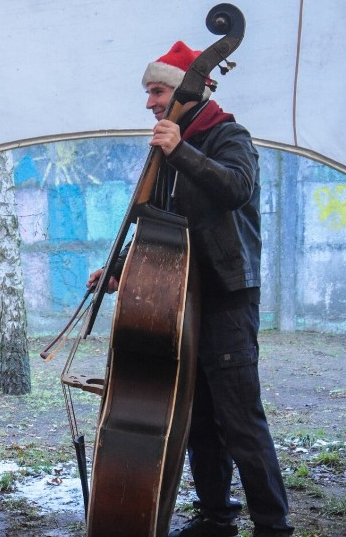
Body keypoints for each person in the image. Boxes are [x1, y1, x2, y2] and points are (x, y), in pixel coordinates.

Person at [87, 41, 294, 537]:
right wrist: (119, 267)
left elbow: (235, 188)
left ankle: (273, 525)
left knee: (239, 419)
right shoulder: (167, 147)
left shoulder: (228, 135)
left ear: (185, 88)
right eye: (148, 92)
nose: (149, 103)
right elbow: (152, 224)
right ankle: (217, 515)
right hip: (177, 299)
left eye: (156, 90)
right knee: (197, 417)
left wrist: (179, 151)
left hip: (225, 296)